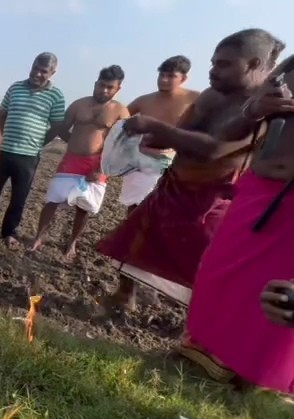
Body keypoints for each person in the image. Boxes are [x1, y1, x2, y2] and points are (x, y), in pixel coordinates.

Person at [97, 28, 284, 311]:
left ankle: (197, 328)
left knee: (206, 267)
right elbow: (183, 136)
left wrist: (157, 127)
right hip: (174, 186)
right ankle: (124, 297)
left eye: (223, 64)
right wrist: (156, 137)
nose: (212, 71)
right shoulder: (211, 96)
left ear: (254, 64)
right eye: (212, 63)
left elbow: (214, 149)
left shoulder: (264, 105)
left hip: (212, 201)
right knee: (136, 241)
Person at [176, 55, 293, 393]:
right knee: (218, 273)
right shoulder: (285, 72)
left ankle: (253, 382)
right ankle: (203, 357)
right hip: (255, 194)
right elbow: (226, 137)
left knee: (276, 296)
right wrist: (255, 109)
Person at [31, 66, 130, 259]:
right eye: (101, 85)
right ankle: (38, 237)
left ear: (118, 89)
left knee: (84, 207)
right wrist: (43, 144)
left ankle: (72, 243)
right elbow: (61, 128)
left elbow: (121, 145)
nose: (104, 90)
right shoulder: (78, 105)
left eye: (110, 87)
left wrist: (101, 167)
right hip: (71, 160)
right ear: (95, 83)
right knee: (52, 200)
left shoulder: (120, 111)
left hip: (98, 164)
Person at [0, 53, 66, 248]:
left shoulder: (56, 95)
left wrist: (39, 142)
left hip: (29, 157)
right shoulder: (15, 88)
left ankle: (8, 232)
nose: (37, 73)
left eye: (43, 71)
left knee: (19, 198)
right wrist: (0, 137)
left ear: (52, 73)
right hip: (4, 152)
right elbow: (2, 115)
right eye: (35, 68)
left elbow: (56, 125)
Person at [118, 56, 201, 211]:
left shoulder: (196, 99)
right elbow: (118, 120)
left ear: (183, 78)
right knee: (136, 207)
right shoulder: (144, 101)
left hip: (175, 162)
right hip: (141, 161)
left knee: (166, 210)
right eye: (161, 75)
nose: (163, 80)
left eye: (171, 76)